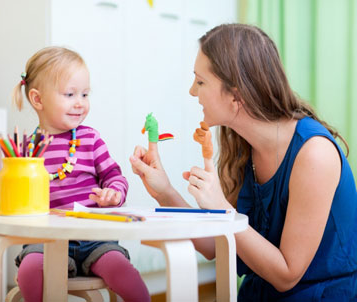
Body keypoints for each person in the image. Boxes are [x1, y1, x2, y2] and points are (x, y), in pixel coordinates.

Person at [130, 24, 357, 301]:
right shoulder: (241, 146)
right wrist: (164, 190)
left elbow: (287, 275)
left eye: (200, 82)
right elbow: (215, 244)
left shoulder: (314, 154)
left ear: (236, 95)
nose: (192, 91)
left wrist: (223, 209)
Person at [0, 46, 150, 302]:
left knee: (123, 272)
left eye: (85, 94)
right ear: (38, 99)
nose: (80, 102)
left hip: (95, 239)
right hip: (45, 240)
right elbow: (13, 202)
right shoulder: (26, 149)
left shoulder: (90, 139)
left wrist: (114, 193)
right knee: (29, 270)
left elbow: (114, 175)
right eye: (70, 94)